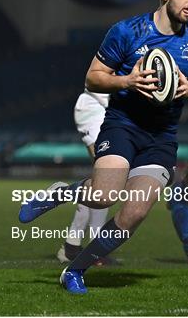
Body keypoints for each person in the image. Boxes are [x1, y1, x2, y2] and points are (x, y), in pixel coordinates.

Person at [19, 0, 188, 293]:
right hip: (123, 124)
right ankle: (60, 194)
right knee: (102, 196)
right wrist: (127, 80)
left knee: (135, 212)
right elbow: (93, 77)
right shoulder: (127, 31)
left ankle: (75, 270)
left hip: (162, 137)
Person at [56, 89, 117, 266]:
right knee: (106, 181)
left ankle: (72, 247)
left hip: (104, 109)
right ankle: (94, 249)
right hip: (96, 107)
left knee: (103, 182)